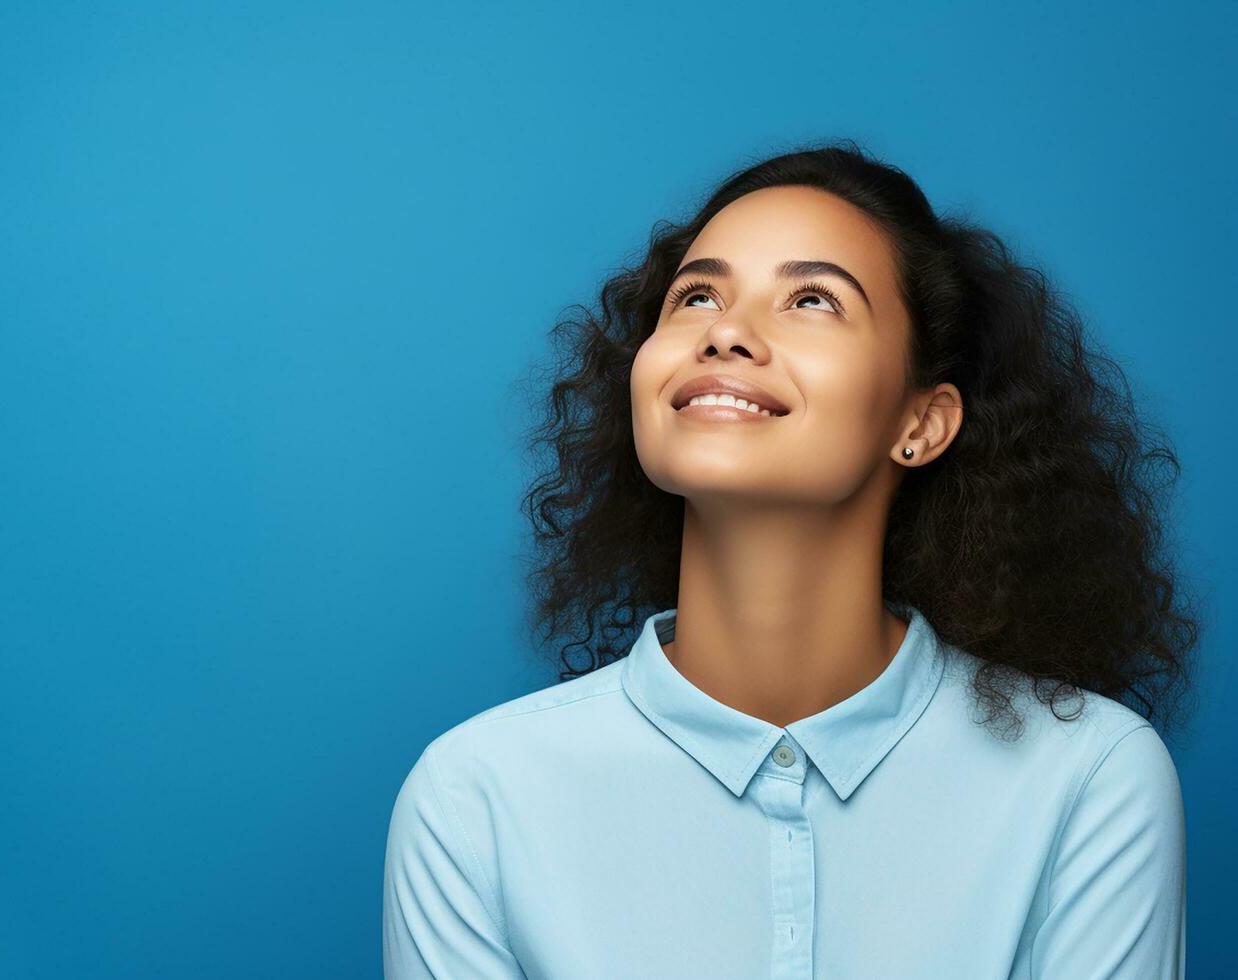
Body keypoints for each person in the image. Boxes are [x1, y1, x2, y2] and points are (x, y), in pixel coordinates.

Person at [381, 142, 1199, 978]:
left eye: (812, 299)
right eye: (696, 296)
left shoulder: (1087, 782)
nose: (727, 332)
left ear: (923, 423)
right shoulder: (473, 800)